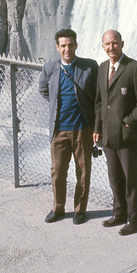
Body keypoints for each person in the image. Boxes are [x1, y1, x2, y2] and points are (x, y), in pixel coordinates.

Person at [93, 30, 137, 236]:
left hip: (129, 136)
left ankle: (134, 220)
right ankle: (119, 213)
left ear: (122, 44)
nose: (111, 48)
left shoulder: (134, 68)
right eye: (107, 44)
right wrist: (97, 129)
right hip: (108, 135)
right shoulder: (102, 69)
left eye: (115, 43)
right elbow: (100, 103)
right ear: (103, 47)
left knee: (131, 179)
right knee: (114, 177)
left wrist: (129, 121)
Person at [38, 28, 98, 225]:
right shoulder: (49, 68)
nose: (67, 49)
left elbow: (97, 96)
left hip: (82, 129)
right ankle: (58, 208)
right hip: (59, 131)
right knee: (57, 172)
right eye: (63, 45)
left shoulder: (89, 67)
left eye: (70, 45)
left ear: (76, 45)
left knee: (83, 172)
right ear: (57, 47)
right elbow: (44, 91)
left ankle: (79, 210)